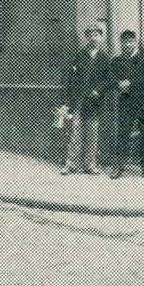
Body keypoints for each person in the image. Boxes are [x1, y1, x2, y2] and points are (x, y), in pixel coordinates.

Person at [105, 29, 144, 178]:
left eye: (130, 41)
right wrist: (118, 83)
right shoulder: (116, 61)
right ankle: (119, 166)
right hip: (125, 101)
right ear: (121, 43)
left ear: (135, 42)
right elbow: (109, 78)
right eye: (125, 42)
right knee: (123, 134)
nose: (127, 45)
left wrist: (130, 82)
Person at [60, 26, 109, 175]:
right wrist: (69, 100)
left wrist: (98, 91)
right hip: (79, 100)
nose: (93, 38)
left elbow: (108, 79)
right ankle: (71, 164)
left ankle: (90, 165)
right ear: (86, 38)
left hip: (95, 101)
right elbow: (70, 78)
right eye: (90, 35)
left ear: (101, 38)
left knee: (93, 132)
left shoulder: (104, 58)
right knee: (76, 132)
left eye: (96, 35)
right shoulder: (79, 56)